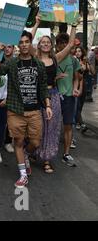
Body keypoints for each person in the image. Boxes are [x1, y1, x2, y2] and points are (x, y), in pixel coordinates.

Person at [0, 31, 52, 188]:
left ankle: (26, 154)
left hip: (34, 110)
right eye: (21, 42)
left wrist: (47, 105)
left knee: (35, 142)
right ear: (18, 45)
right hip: (16, 110)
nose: (24, 44)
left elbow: (43, 87)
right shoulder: (12, 63)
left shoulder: (38, 64)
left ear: (30, 43)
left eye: (27, 41)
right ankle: (23, 175)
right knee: (18, 141)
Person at [55, 31, 81, 167]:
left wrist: (76, 88)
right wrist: (56, 78)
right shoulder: (54, 58)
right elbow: (45, 78)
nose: (64, 45)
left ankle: (66, 153)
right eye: (61, 43)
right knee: (52, 126)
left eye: (66, 43)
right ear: (57, 45)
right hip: (54, 96)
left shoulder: (74, 60)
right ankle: (49, 151)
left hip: (69, 97)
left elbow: (76, 77)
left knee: (68, 126)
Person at [74, 46, 89, 132]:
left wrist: (87, 63)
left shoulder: (84, 61)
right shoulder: (74, 61)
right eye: (76, 51)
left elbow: (91, 71)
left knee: (81, 105)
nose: (77, 53)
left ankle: (78, 121)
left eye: (79, 51)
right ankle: (81, 123)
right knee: (78, 105)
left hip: (84, 86)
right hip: (77, 85)